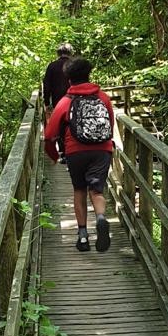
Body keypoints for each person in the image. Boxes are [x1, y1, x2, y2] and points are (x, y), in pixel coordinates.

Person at [44, 57, 114, 253]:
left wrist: (53, 155)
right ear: (88, 75)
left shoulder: (66, 101)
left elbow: (49, 135)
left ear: (69, 79)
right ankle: (100, 218)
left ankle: (83, 237)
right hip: (102, 149)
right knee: (97, 191)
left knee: (79, 190)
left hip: (75, 151)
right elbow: (111, 125)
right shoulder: (103, 98)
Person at [43, 42, 74, 161]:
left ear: (58, 53)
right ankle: (72, 149)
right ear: (70, 52)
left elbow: (47, 85)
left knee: (61, 125)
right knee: (73, 123)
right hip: (74, 98)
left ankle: (63, 151)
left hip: (58, 101)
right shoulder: (73, 65)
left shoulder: (52, 66)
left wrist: (47, 102)